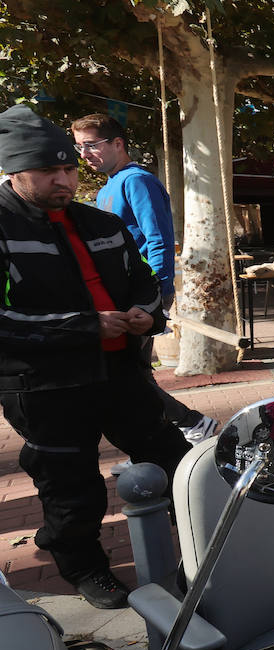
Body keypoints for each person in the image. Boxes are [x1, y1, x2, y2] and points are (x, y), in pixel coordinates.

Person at [0, 105, 190, 608]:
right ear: (15, 173)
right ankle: (83, 565)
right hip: (44, 385)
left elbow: (144, 283)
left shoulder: (100, 221)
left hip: (120, 371)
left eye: (69, 169)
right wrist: (84, 327)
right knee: (71, 481)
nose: (64, 180)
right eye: (49, 173)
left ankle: (203, 548)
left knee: (175, 459)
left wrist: (148, 314)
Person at [69, 114, 218, 462]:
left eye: (91, 144)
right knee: (131, 375)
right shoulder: (108, 187)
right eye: (79, 147)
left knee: (130, 378)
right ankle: (156, 443)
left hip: (140, 295)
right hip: (116, 297)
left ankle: (190, 425)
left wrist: (158, 295)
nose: (84, 154)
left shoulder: (137, 181)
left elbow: (158, 238)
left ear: (117, 143)